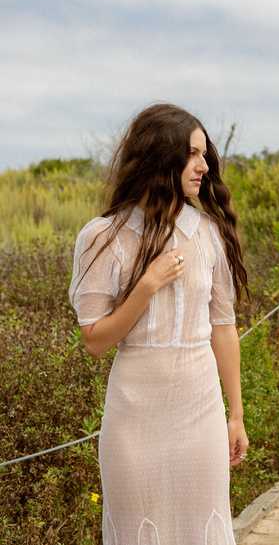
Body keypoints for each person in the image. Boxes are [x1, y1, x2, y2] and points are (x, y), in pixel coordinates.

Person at [68, 102, 250, 545]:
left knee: (203, 527)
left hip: (200, 407)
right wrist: (146, 286)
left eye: (204, 155)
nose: (203, 166)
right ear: (159, 156)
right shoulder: (103, 236)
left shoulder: (208, 233)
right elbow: (95, 340)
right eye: (192, 154)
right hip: (134, 413)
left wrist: (237, 414)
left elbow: (223, 328)